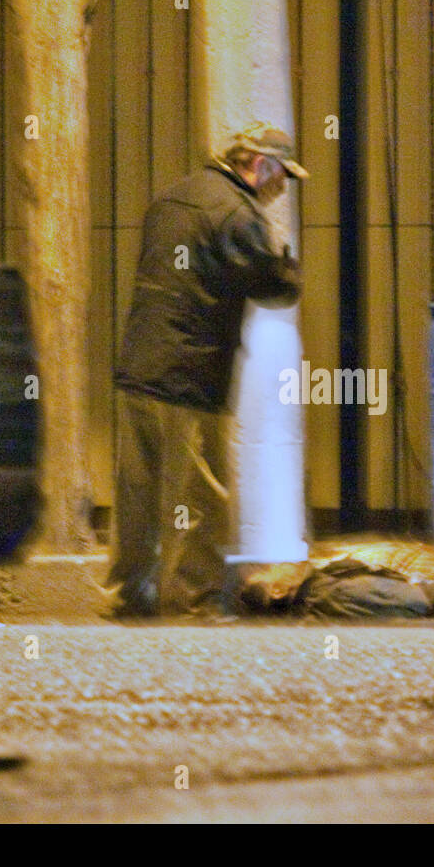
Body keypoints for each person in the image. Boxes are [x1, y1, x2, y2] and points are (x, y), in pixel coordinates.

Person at [106, 121, 307, 617]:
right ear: (259, 164)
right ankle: (194, 600)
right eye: (282, 174)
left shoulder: (172, 198)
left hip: (139, 365)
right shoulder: (236, 213)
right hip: (190, 372)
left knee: (138, 492)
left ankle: (127, 595)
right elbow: (273, 286)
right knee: (196, 494)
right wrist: (288, 263)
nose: (282, 188)